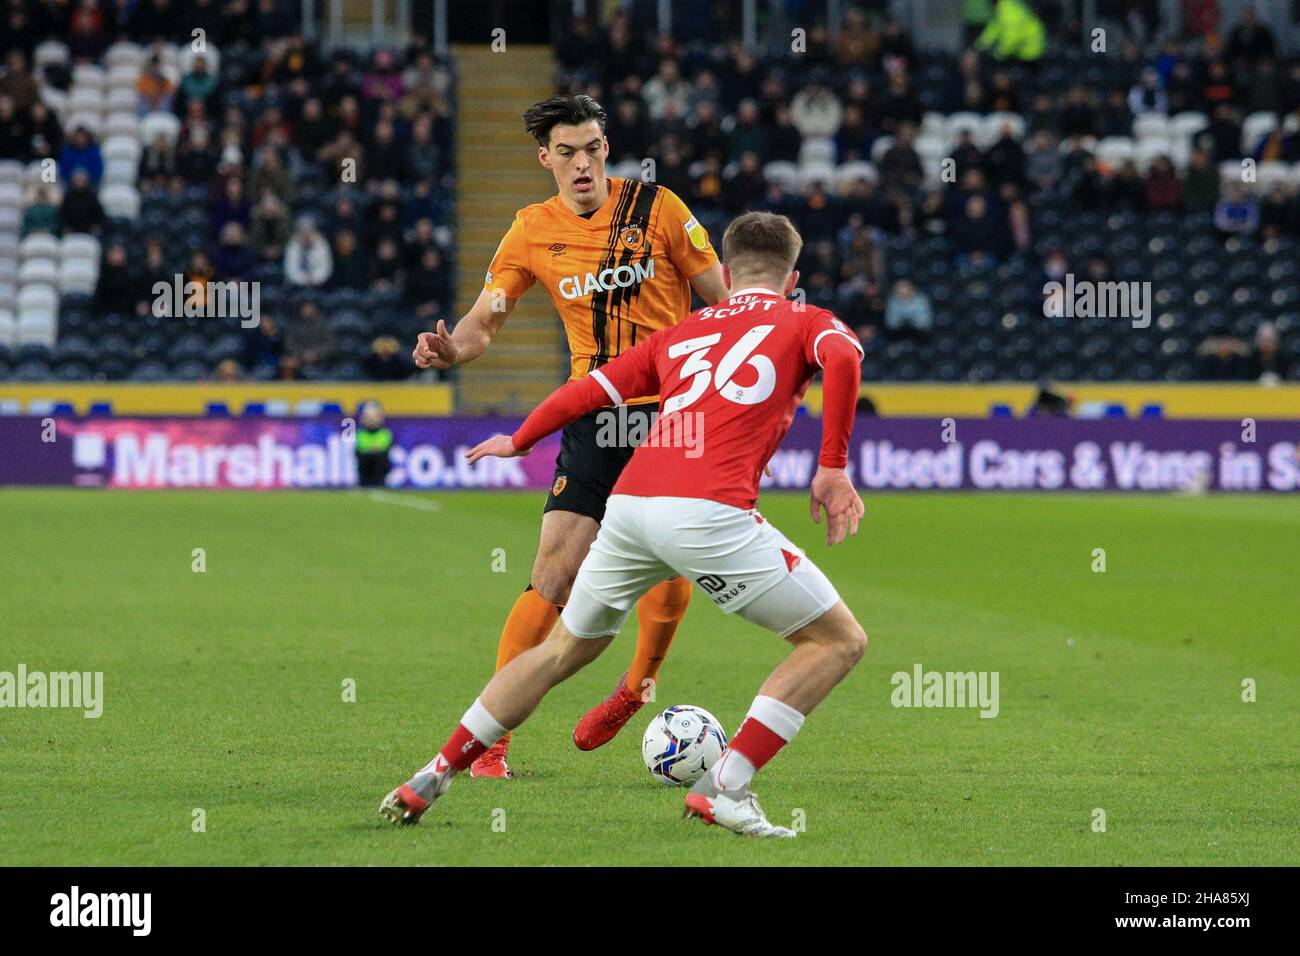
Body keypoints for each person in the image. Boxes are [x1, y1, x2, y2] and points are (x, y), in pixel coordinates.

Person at [382, 211, 867, 837]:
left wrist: (520, 438)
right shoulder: (806, 318)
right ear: (792, 276)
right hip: (708, 511)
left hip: (632, 505)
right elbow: (845, 357)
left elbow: (586, 393)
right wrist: (832, 467)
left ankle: (435, 771)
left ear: (724, 272)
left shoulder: (683, 334)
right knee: (837, 641)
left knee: (560, 651)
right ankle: (726, 786)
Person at [410, 94, 730, 779]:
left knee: (670, 562)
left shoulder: (661, 209)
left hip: (672, 411)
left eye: (592, 148)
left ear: (605, 149)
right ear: (545, 158)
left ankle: (636, 687)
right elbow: (485, 318)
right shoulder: (530, 230)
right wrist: (452, 350)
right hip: (595, 411)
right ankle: (492, 737)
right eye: (567, 152)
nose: (581, 163)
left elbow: (724, 301)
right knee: (553, 570)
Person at [355, 402, 394, 487]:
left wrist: (375, 449)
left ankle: (380, 482)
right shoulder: (361, 433)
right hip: (365, 464)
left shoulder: (385, 433)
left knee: (380, 458)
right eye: (369, 417)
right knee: (363, 458)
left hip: (380, 465)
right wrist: (370, 449)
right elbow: (360, 447)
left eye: (374, 417)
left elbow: (385, 446)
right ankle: (364, 483)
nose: (372, 420)